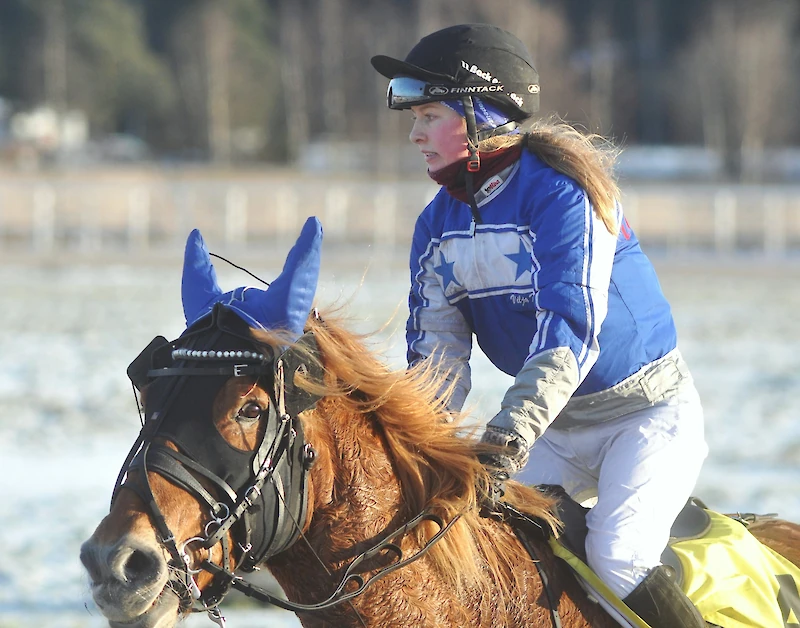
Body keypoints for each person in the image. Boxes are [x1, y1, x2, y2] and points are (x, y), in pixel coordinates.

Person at [371, 23, 708, 627]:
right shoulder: (435, 226)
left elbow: (570, 332)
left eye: (427, 115)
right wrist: (422, 447)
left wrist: (508, 434)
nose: (416, 133)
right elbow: (437, 362)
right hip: (558, 429)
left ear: (478, 113)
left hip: (646, 417)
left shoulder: (565, 194)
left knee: (619, 557)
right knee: (496, 549)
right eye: (414, 118)